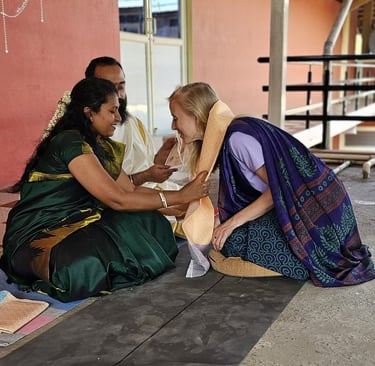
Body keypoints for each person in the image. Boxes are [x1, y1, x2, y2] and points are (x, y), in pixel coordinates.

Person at [0, 78, 209, 302]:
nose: (118, 118)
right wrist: (179, 196)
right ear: (90, 113)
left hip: (81, 220)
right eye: (112, 111)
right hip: (40, 231)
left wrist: (181, 204)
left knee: (149, 221)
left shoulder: (99, 144)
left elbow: (128, 189)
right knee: (80, 265)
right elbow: (117, 200)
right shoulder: (70, 143)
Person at [168, 81, 375, 287]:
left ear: (196, 116)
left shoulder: (237, 139)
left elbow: (279, 189)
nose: (173, 126)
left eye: (176, 118)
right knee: (221, 235)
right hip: (303, 207)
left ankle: (304, 262)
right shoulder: (227, 136)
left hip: (321, 216)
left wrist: (231, 223)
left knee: (233, 240)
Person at [85, 56, 182, 189]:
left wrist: (162, 156)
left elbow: (146, 166)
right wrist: (147, 176)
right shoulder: (85, 135)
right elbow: (111, 189)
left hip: (149, 190)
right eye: (109, 88)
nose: (118, 95)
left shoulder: (133, 123)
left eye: (121, 87)